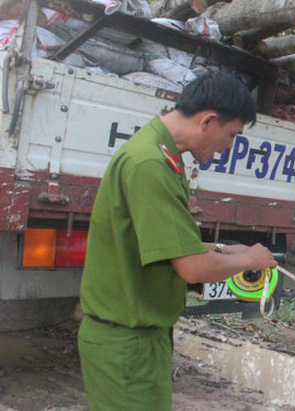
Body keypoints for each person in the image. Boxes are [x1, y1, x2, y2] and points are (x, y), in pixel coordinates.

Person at [77, 73, 278, 411]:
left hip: (136, 338)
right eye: (231, 136)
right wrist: (251, 260)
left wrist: (225, 250)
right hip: (127, 343)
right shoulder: (150, 164)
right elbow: (191, 267)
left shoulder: (159, 155)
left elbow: (168, 245)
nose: (228, 147)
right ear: (208, 121)